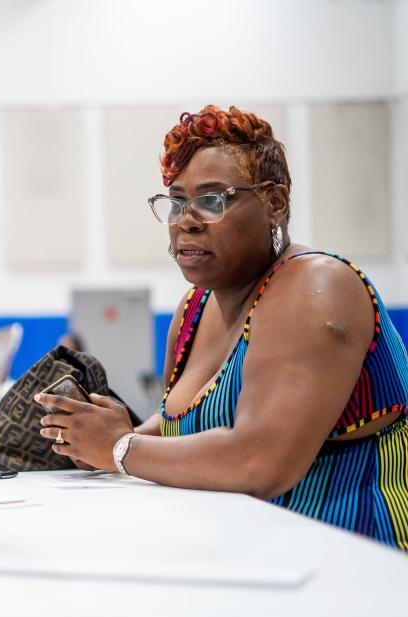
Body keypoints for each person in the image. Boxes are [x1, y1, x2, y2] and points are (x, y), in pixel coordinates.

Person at [37, 105, 408, 550]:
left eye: (212, 200)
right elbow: (192, 427)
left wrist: (120, 449)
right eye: (176, 202)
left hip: (356, 571)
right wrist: (104, 433)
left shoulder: (316, 287)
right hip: (247, 558)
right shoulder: (194, 308)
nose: (187, 220)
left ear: (275, 203)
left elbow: (260, 463)